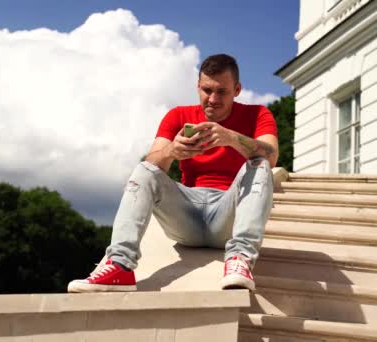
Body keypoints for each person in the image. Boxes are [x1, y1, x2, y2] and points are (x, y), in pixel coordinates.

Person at [68, 53, 278, 293]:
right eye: (207, 90)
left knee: (260, 163)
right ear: (197, 87)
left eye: (222, 92)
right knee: (145, 168)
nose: (212, 99)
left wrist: (232, 138)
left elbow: (271, 156)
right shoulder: (178, 115)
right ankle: (119, 265)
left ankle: (239, 260)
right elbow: (152, 165)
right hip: (186, 216)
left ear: (237, 89)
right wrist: (171, 151)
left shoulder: (258, 114)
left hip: (228, 214)